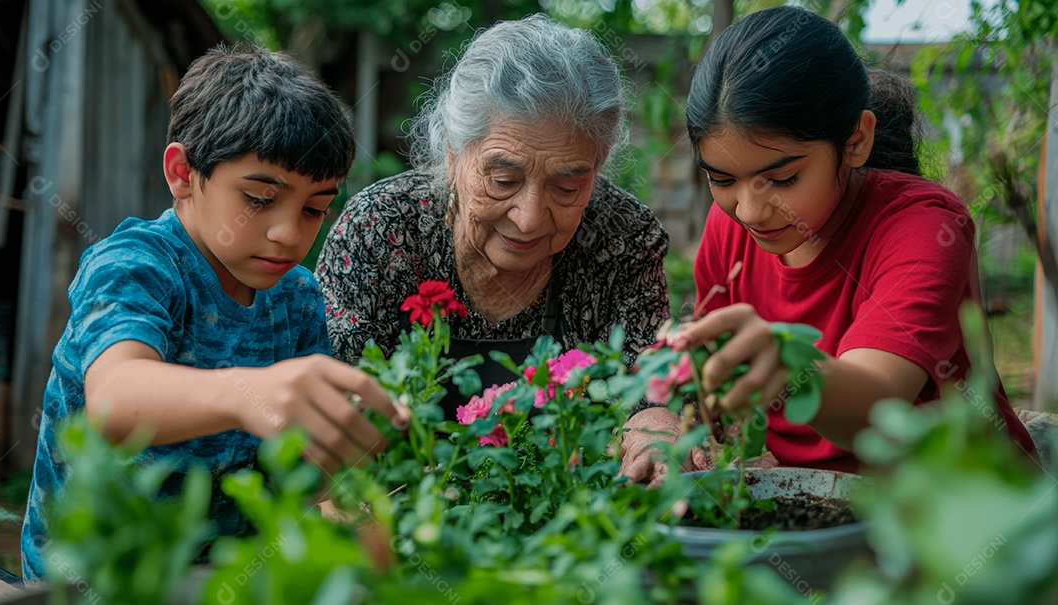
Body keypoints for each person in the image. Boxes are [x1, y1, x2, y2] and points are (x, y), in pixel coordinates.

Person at [20, 45, 407, 582]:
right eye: (258, 198)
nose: (289, 233)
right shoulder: (134, 264)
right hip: (94, 580)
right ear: (182, 173)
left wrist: (355, 499)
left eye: (314, 208)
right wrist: (250, 394)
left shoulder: (295, 296)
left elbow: (305, 471)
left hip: (224, 580)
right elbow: (115, 401)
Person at [619, 6, 1036, 480]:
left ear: (856, 140)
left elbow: (876, 406)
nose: (750, 211)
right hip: (817, 502)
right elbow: (724, 397)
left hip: (961, 501)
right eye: (722, 179)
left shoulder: (924, 228)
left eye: (783, 178)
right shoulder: (727, 226)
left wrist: (789, 361)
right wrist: (669, 422)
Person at [315, 14, 670, 416]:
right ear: (452, 155)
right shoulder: (380, 229)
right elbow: (330, 400)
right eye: (503, 180)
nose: (529, 218)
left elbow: (654, 395)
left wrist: (652, 431)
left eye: (567, 187)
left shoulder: (624, 239)